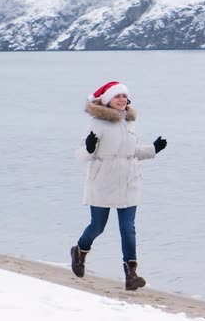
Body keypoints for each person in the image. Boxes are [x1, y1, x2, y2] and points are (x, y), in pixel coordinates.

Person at [71, 81, 167, 291]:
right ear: (107, 100)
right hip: (103, 182)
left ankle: (131, 275)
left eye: (125, 96)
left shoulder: (129, 122)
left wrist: (153, 149)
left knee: (128, 230)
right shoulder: (97, 123)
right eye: (118, 96)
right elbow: (80, 155)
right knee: (98, 226)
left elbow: (130, 153)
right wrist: (89, 147)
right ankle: (79, 251)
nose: (122, 99)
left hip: (128, 182)